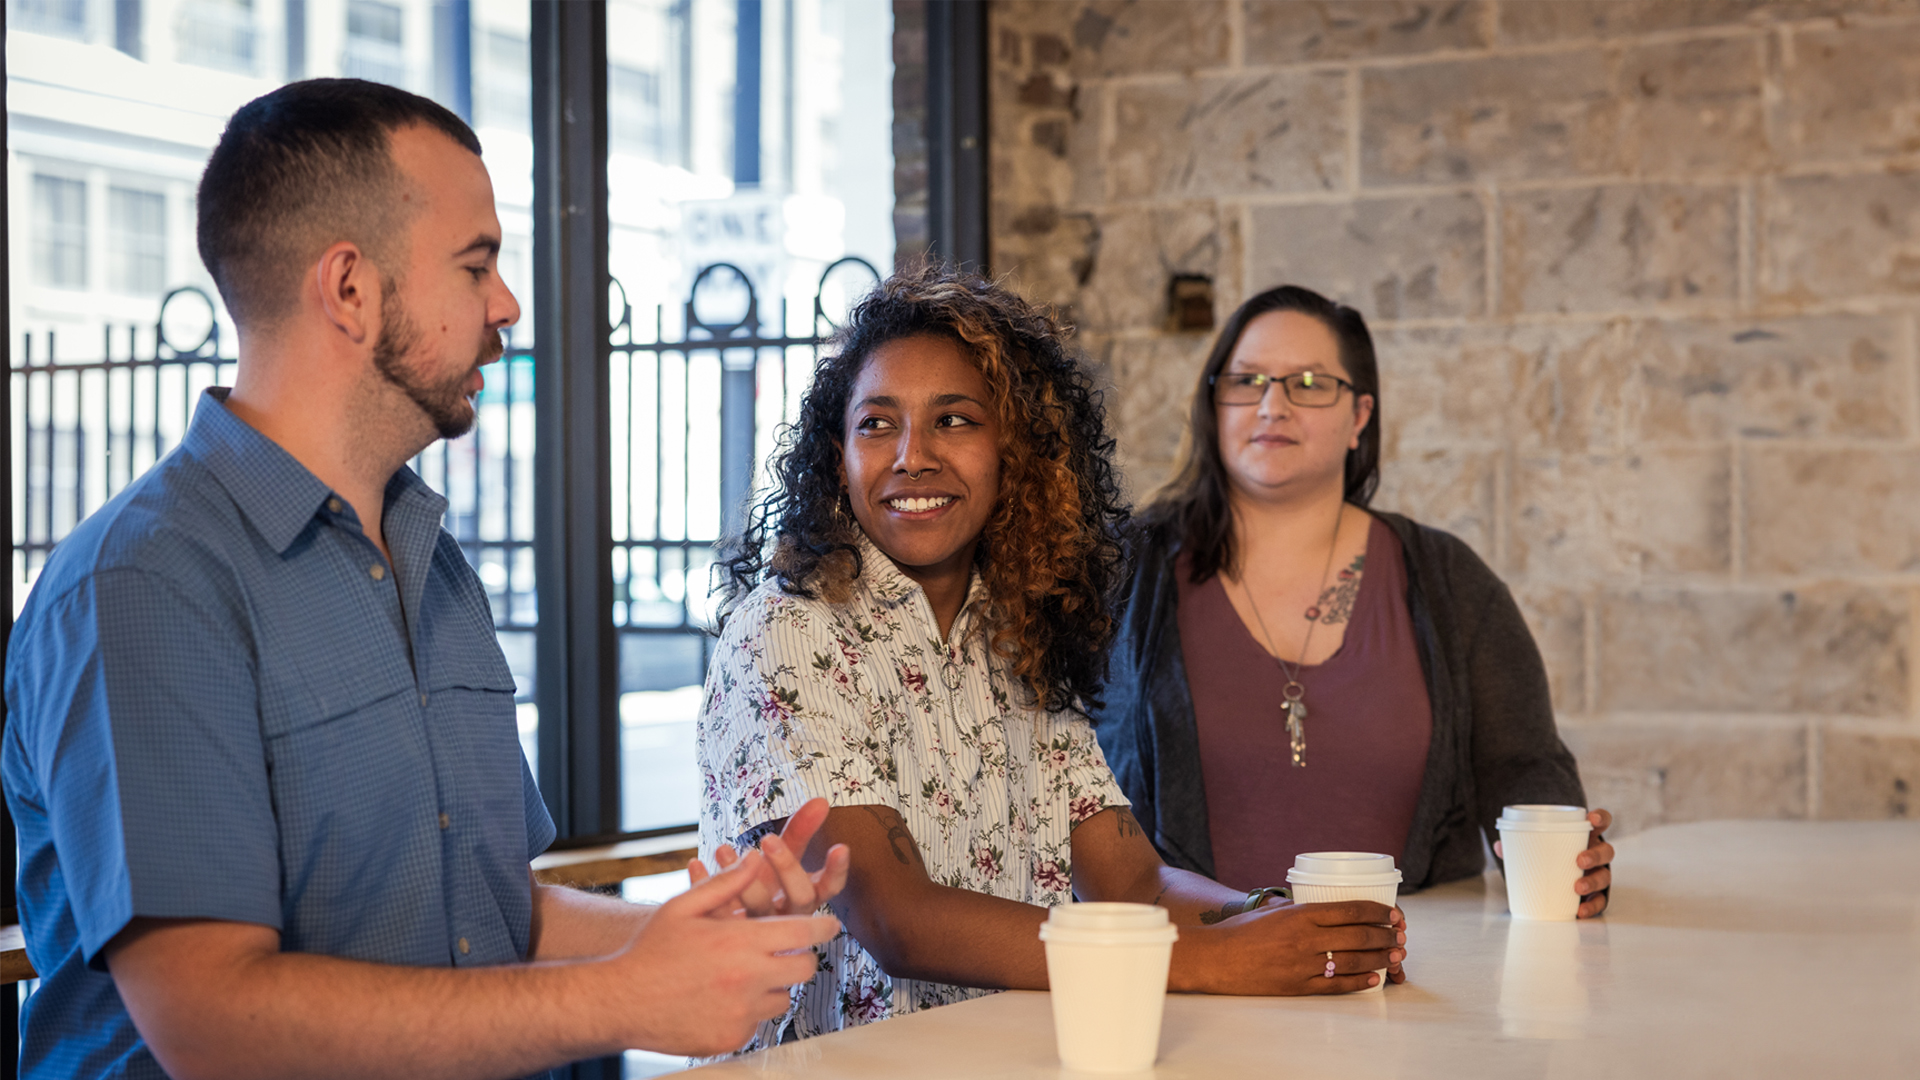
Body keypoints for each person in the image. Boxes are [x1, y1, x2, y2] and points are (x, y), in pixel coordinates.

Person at [1, 79, 849, 1080]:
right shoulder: (144, 584)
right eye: (476, 263)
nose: (507, 305)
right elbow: (212, 1019)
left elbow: (494, 916)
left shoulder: (428, 555)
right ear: (350, 289)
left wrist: (687, 932)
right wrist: (624, 997)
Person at [696, 265, 1409, 1052]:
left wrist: (1280, 919)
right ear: (839, 456)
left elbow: (1132, 879)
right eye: (877, 424)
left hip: (1001, 1055)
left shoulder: (1016, 632)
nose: (912, 456)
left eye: (955, 421)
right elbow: (899, 918)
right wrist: (1205, 958)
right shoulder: (789, 631)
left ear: (1016, 452)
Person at [1089, 285, 1614, 914]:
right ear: (1214, 405)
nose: (1271, 404)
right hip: (1193, 976)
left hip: (1409, 981)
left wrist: (1570, 864)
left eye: (1308, 383)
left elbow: (1524, 765)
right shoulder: (1117, 576)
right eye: (1246, 380)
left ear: (1360, 416)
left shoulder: (1449, 581)